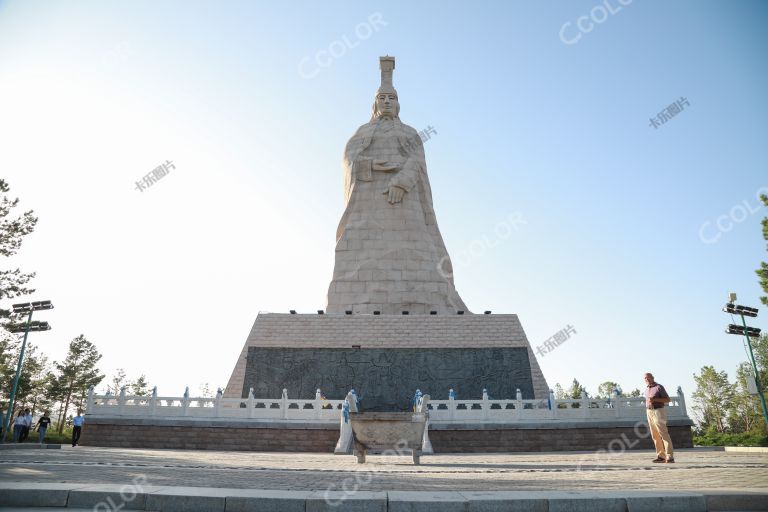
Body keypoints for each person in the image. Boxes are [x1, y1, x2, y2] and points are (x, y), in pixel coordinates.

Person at [325, 56, 468, 315]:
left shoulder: (409, 132)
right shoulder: (362, 132)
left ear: (399, 104)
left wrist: (401, 183)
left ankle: (426, 297)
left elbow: (417, 161)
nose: (387, 103)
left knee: (419, 247)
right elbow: (349, 158)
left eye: (392, 98)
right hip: (368, 200)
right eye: (382, 98)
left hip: (406, 202)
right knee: (359, 244)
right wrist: (373, 166)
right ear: (375, 104)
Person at [644, 372, 674, 463]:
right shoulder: (646, 389)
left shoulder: (659, 387)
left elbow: (668, 399)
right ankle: (661, 456)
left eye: (648, 378)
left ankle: (670, 456)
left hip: (658, 411)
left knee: (663, 433)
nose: (647, 379)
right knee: (655, 435)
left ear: (653, 377)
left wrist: (655, 400)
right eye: (645, 378)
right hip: (649, 411)